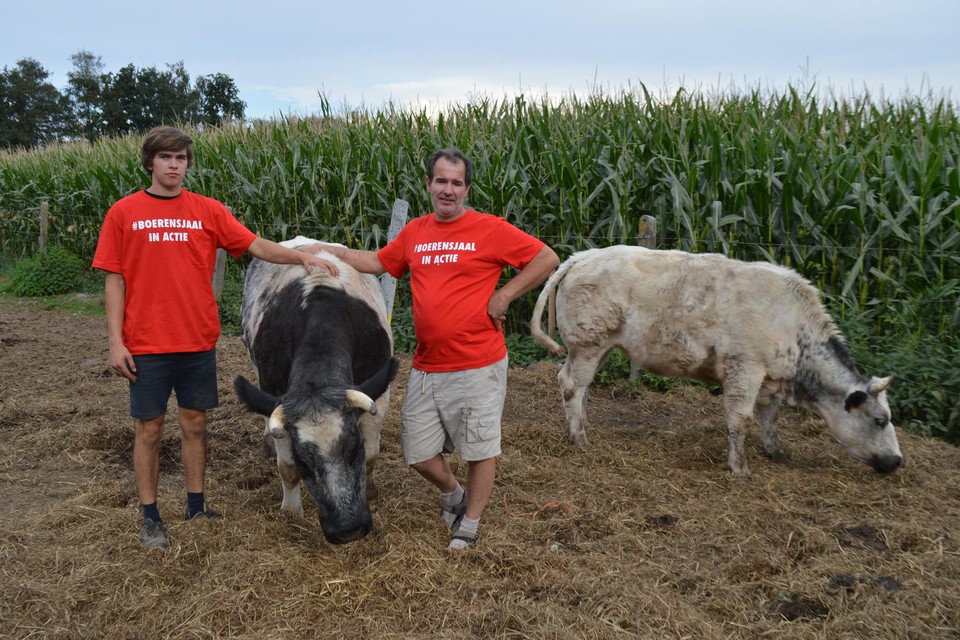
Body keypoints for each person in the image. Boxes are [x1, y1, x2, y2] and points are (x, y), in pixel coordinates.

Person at [92, 126, 339, 550]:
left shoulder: (206, 210)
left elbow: (256, 245)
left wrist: (300, 255)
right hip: (146, 344)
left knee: (195, 424)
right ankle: (150, 516)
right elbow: (114, 280)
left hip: (196, 341)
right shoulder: (124, 212)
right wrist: (116, 342)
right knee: (149, 429)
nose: (174, 165)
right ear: (150, 162)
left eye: (181, 158)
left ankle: (196, 504)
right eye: (166, 157)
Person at [318, 147, 559, 551]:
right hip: (428, 365)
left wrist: (505, 295)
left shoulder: (489, 229)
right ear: (428, 184)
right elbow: (378, 263)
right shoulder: (415, 231)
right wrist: (326, 252)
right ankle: (453, 494)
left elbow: (546, 257)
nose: (448, 190)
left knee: (480, 448)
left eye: (457, 183)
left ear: (466, 188)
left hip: (478, 362)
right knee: (416, 452)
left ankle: (470, 523)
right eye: (441, 181)